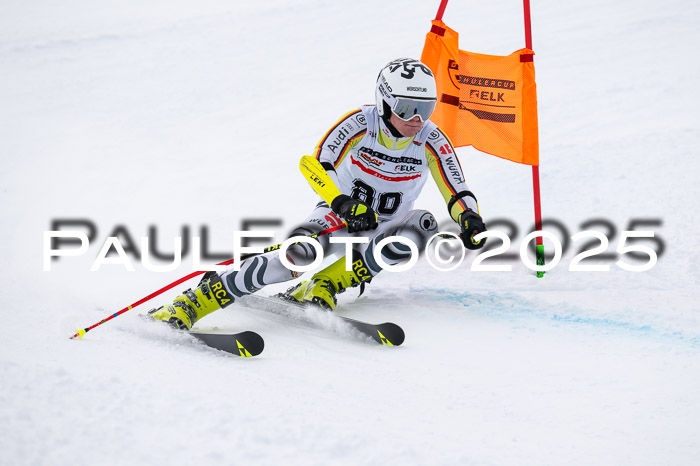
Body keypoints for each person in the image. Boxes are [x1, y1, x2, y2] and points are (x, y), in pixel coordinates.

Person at [149, 58, 487, 330]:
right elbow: (313, 165)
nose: (416, 119)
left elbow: (456, 188)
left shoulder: (431, 139)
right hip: (340, 216)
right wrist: (343, 203)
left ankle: (323, 285)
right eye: (406, 108)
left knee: (422, 226)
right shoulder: (359, 124)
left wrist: (470, 218)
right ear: (385, 102)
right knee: (297, 258)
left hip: (387, 223)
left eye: (425, 109)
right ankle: (194, 301)